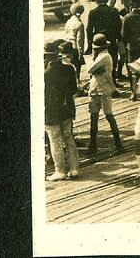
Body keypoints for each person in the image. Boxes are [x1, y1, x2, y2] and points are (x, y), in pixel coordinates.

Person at [44, 44, 79, 181]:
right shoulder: (69, 69)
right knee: (69, 137)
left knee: (55, 140)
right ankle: (75, 169)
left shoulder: (45, 74)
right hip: (67, 109)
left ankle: (60, 170)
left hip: (52, 112)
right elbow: (74, 90)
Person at [85, 34, 124, 157]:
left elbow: (90, 69)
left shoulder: (104, 57)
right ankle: (94, 145)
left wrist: (91, 61)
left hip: (102, 89)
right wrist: (96, 69)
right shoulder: (102, 56)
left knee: (108, 115)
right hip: (97, 89)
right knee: (94, 117)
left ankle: (118, 145)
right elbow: (94, 70)